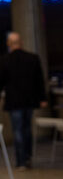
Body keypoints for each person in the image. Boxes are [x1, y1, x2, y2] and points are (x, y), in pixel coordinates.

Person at [0, 31, 47, 169]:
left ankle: (21, 161)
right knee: (27, 130)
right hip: (29, 100)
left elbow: (1, 81)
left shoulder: (4, 60)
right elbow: (39, 81)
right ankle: (27, 157)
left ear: (9, 44)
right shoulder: (32, 58)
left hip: (14, 101)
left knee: (17, 131)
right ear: (20, 43)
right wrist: (42, 98)